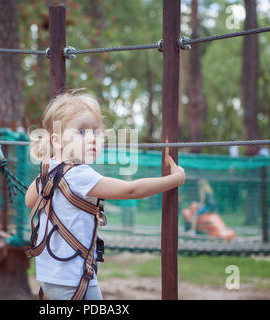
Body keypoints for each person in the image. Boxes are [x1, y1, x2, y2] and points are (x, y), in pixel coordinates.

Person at [24, 88, 186, 300]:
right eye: (81, 132)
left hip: (50, 277)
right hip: (75, 278)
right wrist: (175, 179)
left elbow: (29, 201)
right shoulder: (79, 175)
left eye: (96, 132)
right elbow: (131, 190)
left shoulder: (48, 172)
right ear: (57, 140)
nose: (92, 138)